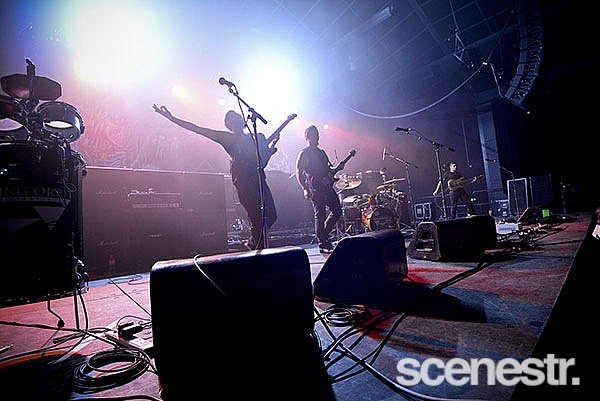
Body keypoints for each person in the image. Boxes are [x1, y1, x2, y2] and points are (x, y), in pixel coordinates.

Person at [153, 105, 292, 250]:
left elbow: (261, 162)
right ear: (229, 125)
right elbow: (198, 129)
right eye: (232, 119)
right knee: (258, 219)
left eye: (237, 116)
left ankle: (253, 244)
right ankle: (258, 249)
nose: (237, 119)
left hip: (259, 180)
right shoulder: (228, 138)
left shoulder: (254, 138)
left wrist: (271, 147)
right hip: (244, 183)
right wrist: (172, 118)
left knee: (271, 216)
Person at [295, 125, 344, 252]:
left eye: (317, 134)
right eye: (314, 134)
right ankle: (322, 242)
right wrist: (305, 188)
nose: (317, 137)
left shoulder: (322, 153)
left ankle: (323, 236)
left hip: (327, 186)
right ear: (307, 136)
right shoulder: (304, 153)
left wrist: (338, 168)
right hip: (315, 187)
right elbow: (299, 172)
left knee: (337, 211)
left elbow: (328, 170)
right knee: (320, 214)